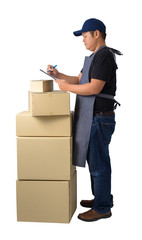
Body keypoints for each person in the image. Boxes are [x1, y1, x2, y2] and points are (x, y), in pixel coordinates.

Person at [47, 18, 122, 222]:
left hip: (99, 119)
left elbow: (94, 88)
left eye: (85, 36)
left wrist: (67, 88)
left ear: (97, 34)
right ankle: (101, 198)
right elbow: (79, 80)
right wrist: (57, 75)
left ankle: (102, 207)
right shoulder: (93, 57)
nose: (83, 40)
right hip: (93, 118)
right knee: (95, 162)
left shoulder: (104, 56)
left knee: (99, 164)